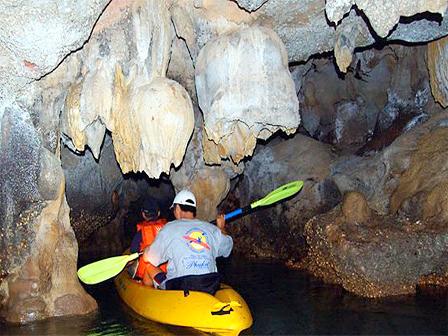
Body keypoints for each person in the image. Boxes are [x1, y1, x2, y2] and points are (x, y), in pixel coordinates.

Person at [142, 189, 232, 295]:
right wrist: (221, 228)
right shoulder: (211, 229)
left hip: (180, 286)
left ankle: (150, 297)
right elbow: (227, 248)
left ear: (178, 208)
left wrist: (145, 252)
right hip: (210, 283)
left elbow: (152, 258)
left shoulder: (169, 228)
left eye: (174, 209)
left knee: (148, 266)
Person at [129, 197, 167, 286]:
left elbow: (133, 251)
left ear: (143, 214)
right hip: (167, 273)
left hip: (147, 277)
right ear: (158, 213)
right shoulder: (167, 228)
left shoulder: (141, 232)